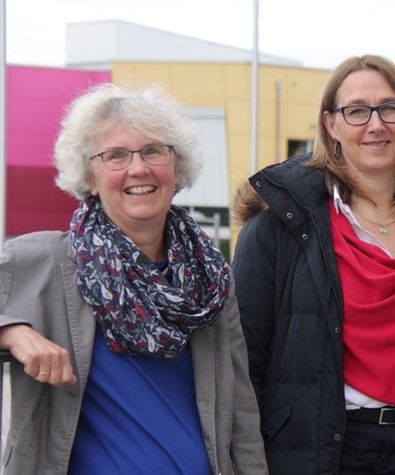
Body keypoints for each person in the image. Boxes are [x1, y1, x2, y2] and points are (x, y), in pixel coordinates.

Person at [231, 54, 395, 474]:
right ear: (330, 124)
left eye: (390, 108)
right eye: (356, 111)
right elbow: (244, 364)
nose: (375, 124)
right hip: (328, 450)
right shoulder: (279, 226)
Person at [0, 84, 267, 474]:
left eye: (153, 151)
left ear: (176, 170)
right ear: (90, 177)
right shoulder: (45, 261)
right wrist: (12, 332)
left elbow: (241, 412)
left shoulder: (209, 279)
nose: (138, 168)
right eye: (116, 156)